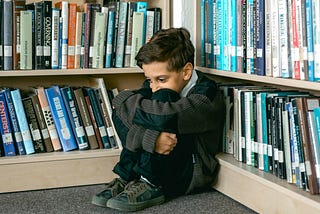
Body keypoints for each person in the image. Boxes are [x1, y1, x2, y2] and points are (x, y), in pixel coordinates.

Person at [91, 27, 225, 212]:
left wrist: (130, 103)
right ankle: (130, 177)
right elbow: (119, 107)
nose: (153, 86)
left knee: (161, 103)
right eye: (149, 79)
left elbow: (163, 116)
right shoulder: (156, 83)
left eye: (161, 79)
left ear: (186, 71)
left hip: (192, 170)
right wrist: (152, 141)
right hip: (166, 159)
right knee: (150, 112)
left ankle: (150, 182)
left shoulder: (206, 94)